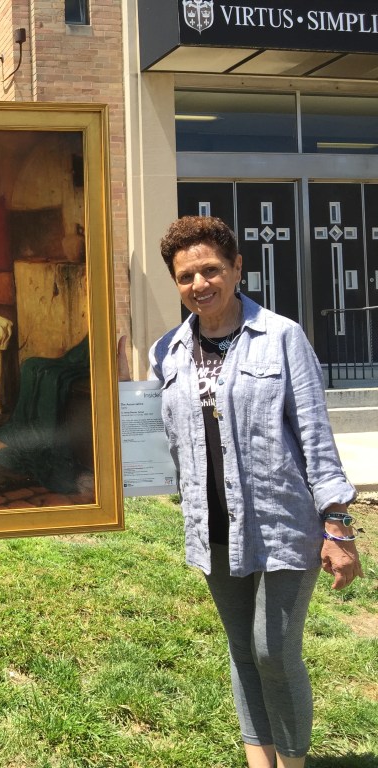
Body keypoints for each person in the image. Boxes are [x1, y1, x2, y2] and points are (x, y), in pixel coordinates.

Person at [149, 216, 363, 768]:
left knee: (273, 648)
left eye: (211, 269)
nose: (200, 284)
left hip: (283, 522)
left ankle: (292, 761)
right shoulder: (167, 351)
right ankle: (258, 760)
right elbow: (160, 436)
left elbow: (315, 434)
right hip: (212, 526)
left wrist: (336, 525)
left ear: (237, 267)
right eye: (186, 275)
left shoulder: (281, 336)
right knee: (243, 650)